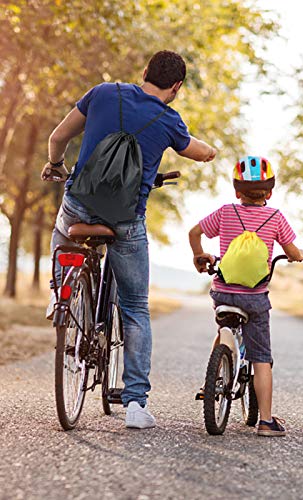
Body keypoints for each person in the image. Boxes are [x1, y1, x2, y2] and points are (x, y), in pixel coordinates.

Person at [42, 50, 217, 429]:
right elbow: (198, 151)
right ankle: (136, 405)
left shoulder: (104, 93)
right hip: (124, 221)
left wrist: (56, 164)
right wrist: (210, 151)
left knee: (61, 234)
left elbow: (58, 137)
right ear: (177, 87)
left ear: (144, 73)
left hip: (78, 207)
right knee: (136, 306)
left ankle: (61, 296)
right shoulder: (171, 121)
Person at [189, 156, 303, 437]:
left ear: (237, 191)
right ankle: (265, 421)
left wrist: (199, 255)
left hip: (223, 291)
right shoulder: (276, 217)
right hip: (255, 298)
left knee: (224, 327)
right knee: (261, 358)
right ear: (270, 192)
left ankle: (211, 380)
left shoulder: (226, 212)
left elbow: (195, 232)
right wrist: (299, 255)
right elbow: (292, 252)